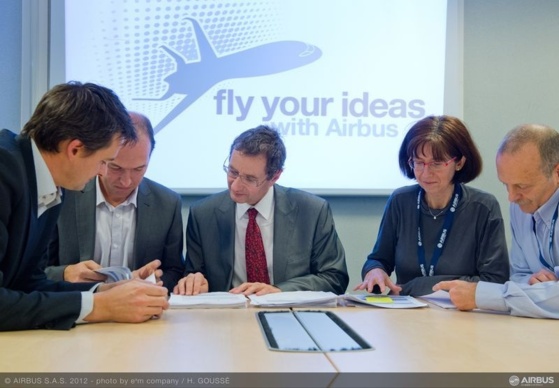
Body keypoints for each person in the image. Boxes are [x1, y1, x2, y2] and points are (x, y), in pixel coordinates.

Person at [0, 81, 169, 331]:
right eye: (105, 161)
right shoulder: (4, 170)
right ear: (75, 149)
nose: (102, 172)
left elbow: (28, 284)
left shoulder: (50, 182)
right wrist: (98, 307)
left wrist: (103, 291)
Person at [173, 125, 348, 296]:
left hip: (290, 314)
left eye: (249, 179)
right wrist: (195, 283)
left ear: (275, 176)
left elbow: (334, 278)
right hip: (227, 318)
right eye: (232, 172)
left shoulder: (312, 211)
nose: (235, 185)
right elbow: (195, 275)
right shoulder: (203, 214)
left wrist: (281, 291)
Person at [355, 115, 510, 296]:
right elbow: (378, 259)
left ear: (459, 162)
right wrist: (375, 271)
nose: (426, 173)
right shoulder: (400, 201)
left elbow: (495, 280)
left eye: (436, 163)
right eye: (418, 162)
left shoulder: (483, 207)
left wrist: (416, 286)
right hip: (406, 313)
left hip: (461, 314)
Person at [45, 112, 185, 292]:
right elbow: (37, 272)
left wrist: (150, 281)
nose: (126, 181)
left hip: (138, 312)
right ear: (102, 157)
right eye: (116, 168)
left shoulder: (167, 203)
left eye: (138, 169)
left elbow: (174, 270)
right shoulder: (64, 194)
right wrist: (66, 273)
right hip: (77, 309)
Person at [434, 124, 559, 318]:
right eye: (505, 185)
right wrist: (540, 290)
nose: (511, 197)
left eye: (521, 185)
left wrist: (485, 296)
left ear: (557, 173)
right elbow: (519, 276)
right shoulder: (520, 205)